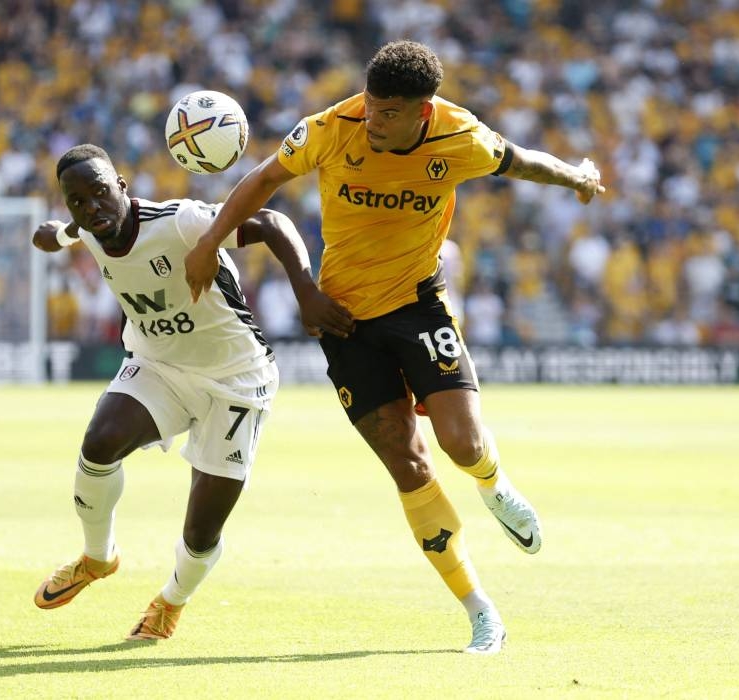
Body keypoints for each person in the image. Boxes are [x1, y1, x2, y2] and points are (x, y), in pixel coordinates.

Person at [184, 40, 605, 655]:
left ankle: (493, 484)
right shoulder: (332, 127)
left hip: (417, 303)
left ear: (423, 110)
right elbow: (265, 177)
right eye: (371, 106)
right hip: (344, 318)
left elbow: (520, 161)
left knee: (462, 444)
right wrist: (211, 241)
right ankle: (480, 610)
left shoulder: (461, 138)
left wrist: (577, 177)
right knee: (407, 464)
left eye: (387, 113)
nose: (372, 120)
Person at [31, 143, 352, 641]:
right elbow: (62, 233)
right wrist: (53, 236)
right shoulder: (90, 229)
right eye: (78, 201)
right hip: (160, 366)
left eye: (99, 193)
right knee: (99, 442)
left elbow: (269, 222)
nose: (92, 207)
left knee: (201, 531)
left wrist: (306, 292)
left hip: (237, 380)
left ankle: (170, 603)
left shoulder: (179, 222)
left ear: (122, 186)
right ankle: (98, 557)